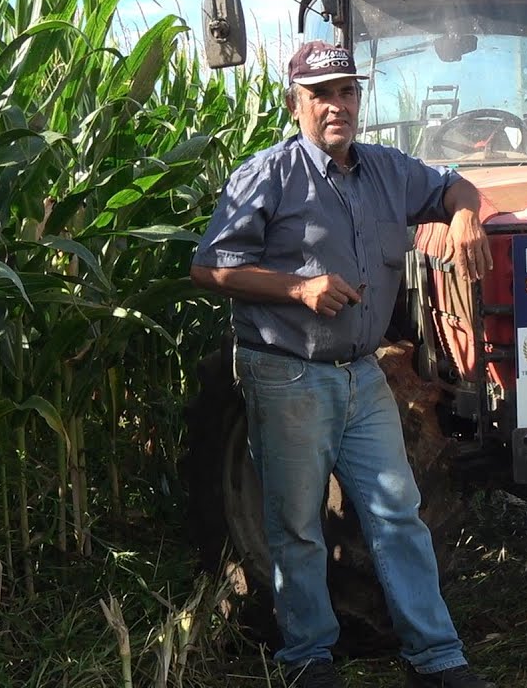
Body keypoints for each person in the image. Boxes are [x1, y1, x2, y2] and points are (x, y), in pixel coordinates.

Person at [191, 41, 496, 688]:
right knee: (297, 524)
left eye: (346, 92)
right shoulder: (267, 175)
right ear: (295, 103)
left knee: (397, 514)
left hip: (363, 372)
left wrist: (466, 217)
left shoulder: (389, 171)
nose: (336, 105)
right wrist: (297, 289)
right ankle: (307, 658)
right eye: (320, 94)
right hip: (289, 371)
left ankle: (436, 657)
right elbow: (209, 267)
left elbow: (451, 186)